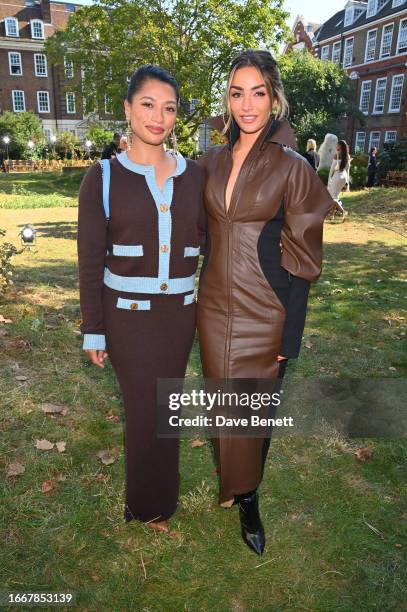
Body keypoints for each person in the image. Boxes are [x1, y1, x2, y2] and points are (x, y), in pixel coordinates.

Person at [197, 50, 333, 556]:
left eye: (257, 92)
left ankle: (249, 497)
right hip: (212, 308)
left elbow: (304, 259)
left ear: (274, 97)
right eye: (237, 93)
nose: (246, 104)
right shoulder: (209, 161)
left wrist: (287, 337)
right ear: (227, 100)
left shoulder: (293, 167)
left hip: (267, 310)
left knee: (256, 415)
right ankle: (234, 481)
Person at [77, 65, 205, 535]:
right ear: (128, 108)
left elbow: (209, 241)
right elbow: (90, 262)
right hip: (127, 319)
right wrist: (94, 327)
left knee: (167, 405)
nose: (158, 117)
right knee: (142, 409)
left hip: (179, 317)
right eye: (148, 104)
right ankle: (146, 507)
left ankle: (162, 499)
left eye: (169, 108)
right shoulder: (103, 178)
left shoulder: (196, 175)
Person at [327, 140, 351, 220]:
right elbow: (347, 170)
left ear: (340, 146)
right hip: (343, 177)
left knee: (332, 198)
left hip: (337, 177)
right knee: (335, 197)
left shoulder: (336, 155)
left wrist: (329, 179)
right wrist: (347, 182)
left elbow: (331, 169)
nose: (336, 146)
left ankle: (343, 212)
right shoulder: (347, 156)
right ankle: (332, 215)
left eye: (337, 145)